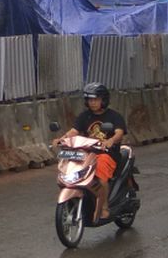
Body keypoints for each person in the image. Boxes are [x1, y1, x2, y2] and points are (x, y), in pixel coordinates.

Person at [53, 82, 127, 223]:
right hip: (87, 153)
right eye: (90, 100)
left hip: (107, 154)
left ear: (103, 100)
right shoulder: (84, 116)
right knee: (72, 169)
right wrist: (61, 139)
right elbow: (74, 131)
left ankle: (104, 207)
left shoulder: (114, 116)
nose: (92, 103)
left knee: (99, 175)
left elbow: (119, 132)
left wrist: (111, 141)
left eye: (96, 99)